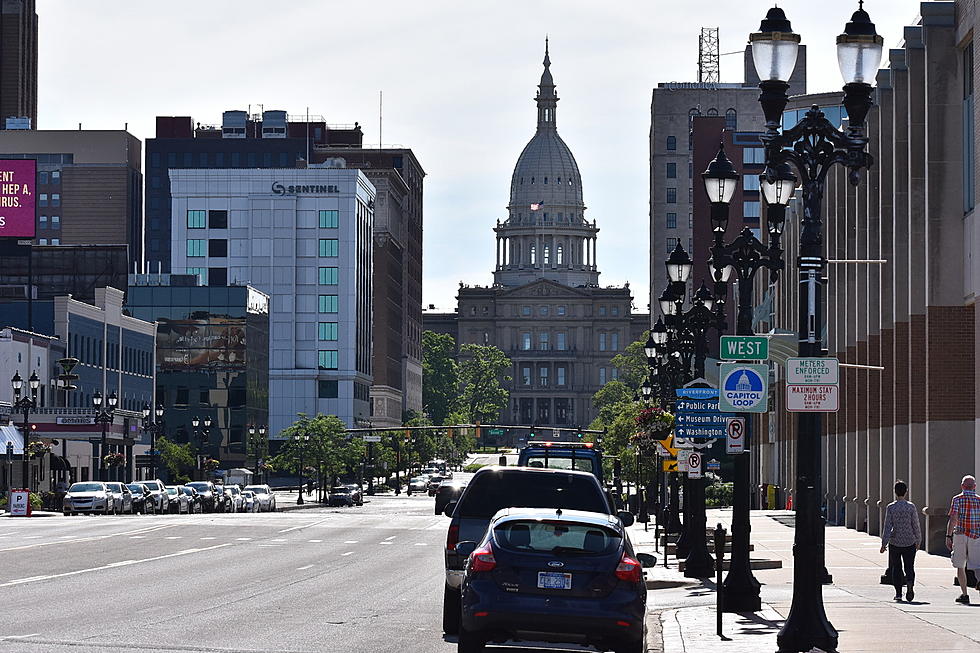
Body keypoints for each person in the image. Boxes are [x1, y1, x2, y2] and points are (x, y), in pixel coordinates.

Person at [880, 480, 921, 602]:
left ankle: (898, 593)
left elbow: (887, 526)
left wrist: (884, 543)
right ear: (906, 492)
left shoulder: (891, 507)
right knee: (910, 566)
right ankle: (909, 583)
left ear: (895, 492)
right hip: (909, 541)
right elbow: (916, 524)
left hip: (895, 542)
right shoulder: (911, 507)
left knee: (896, 567)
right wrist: (918, 539)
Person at [947, 475, 980, 604]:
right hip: (976, 536)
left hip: (960, 535)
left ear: (962, 486)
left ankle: (965, 594)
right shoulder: (979, 500)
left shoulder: (957, 499)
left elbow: (953, 518)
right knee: (977, 565)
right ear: (975, 487)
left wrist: (948, 536)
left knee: (960, 565)